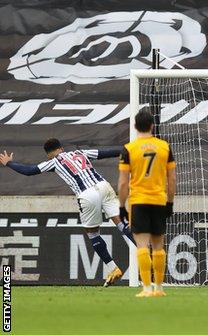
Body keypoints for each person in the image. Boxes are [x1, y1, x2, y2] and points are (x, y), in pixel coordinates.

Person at [0, 139, 134, 287]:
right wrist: (127, 150)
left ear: (49, 155)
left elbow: (29, 171)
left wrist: (9, 163)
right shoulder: (79, 152)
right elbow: (105, 153)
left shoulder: (54, 161)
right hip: (104, 186)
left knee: (93, 233)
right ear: (61, 148)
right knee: (123, 224)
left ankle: (113, 268)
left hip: (86, 194)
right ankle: (147, 252)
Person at [118, 109, 176, 297]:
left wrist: (121, 205)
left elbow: (123, 182)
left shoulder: (129, 149)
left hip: (139, 201)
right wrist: (170, 202)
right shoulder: (164, 147)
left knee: (142, 246)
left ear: (135, 126)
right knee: (158, 246)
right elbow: (172, 179)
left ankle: (146, 288)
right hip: (159, 200)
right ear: (152, 125)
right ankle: (159, 288)